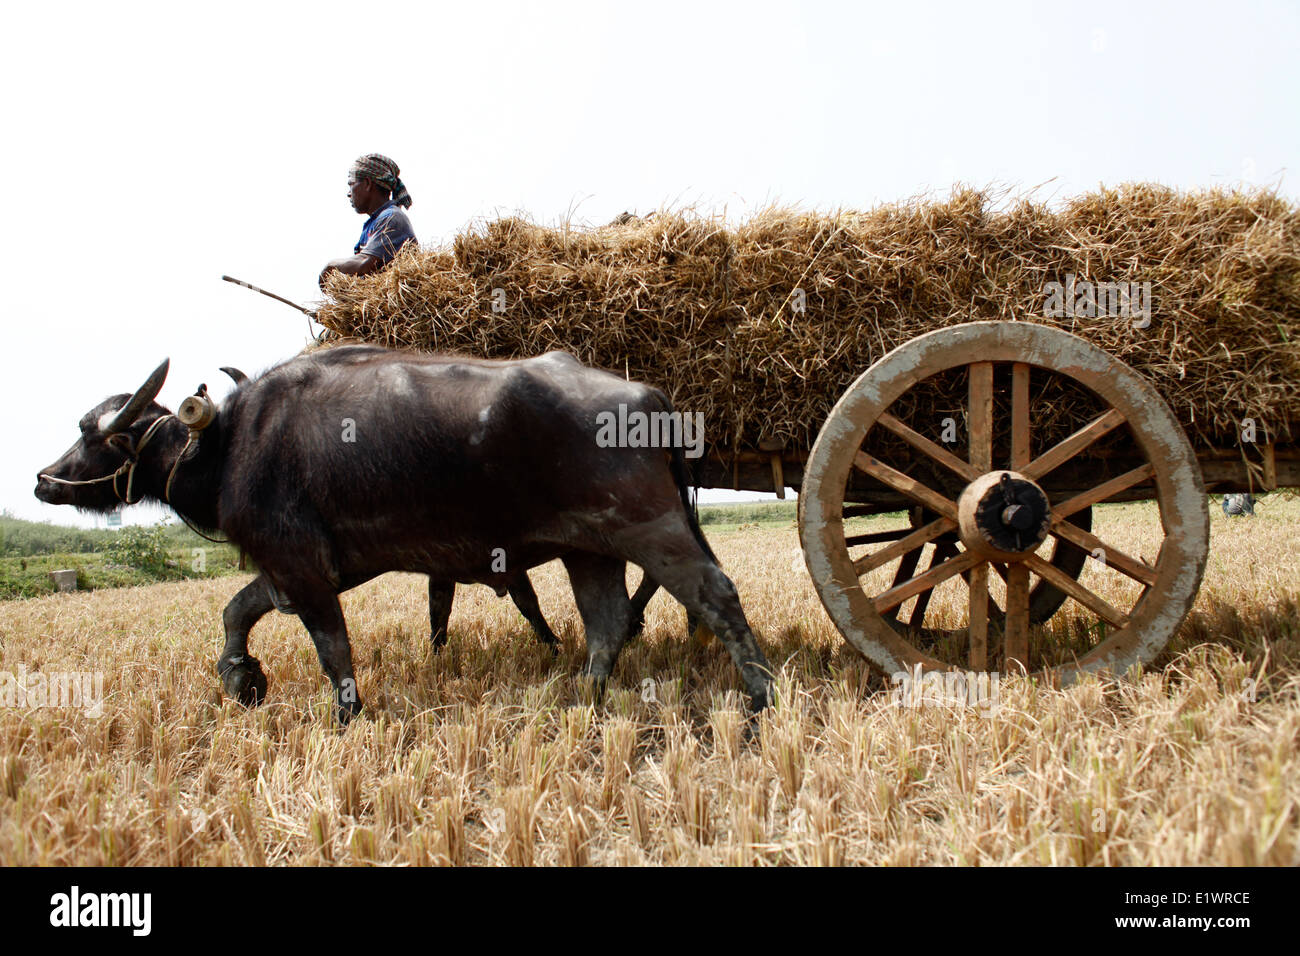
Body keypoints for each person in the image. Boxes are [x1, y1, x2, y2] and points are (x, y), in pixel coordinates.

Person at [319, 153, 416, 288]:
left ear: (367, 184)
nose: (349, 193)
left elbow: (366, 263)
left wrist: (331, 267)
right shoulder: (375, 223)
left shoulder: (392, 218)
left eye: (351, 184)